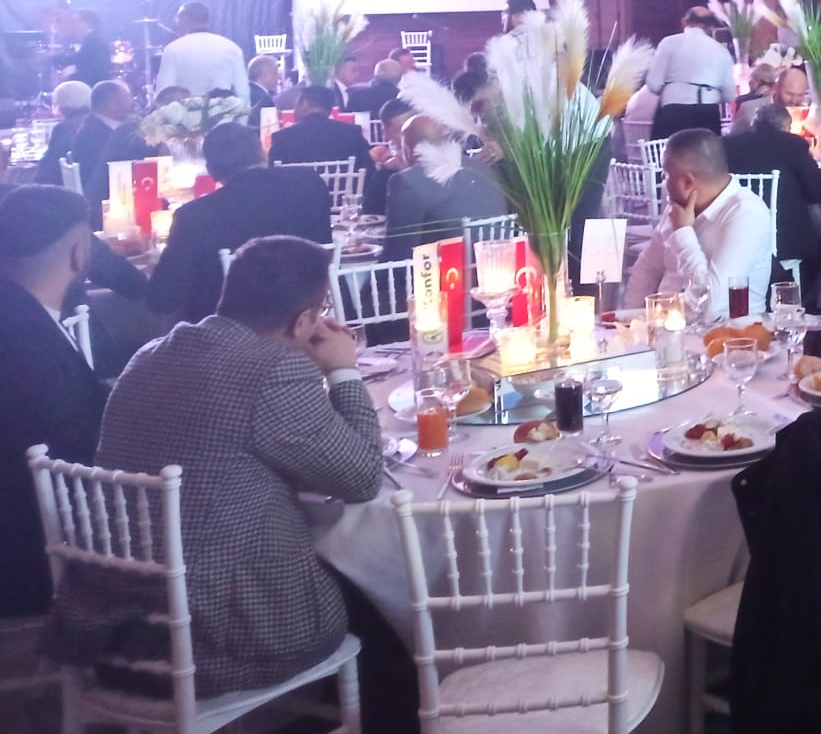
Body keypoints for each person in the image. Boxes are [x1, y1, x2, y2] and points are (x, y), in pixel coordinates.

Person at [48, 236, 384, 699]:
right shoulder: (272, 374)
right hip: (215, 639)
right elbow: (363, 477)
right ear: (303, 321)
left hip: (113, 631)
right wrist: (343, 369)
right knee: (368, 596)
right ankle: (388, 719)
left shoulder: (148, 356)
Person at [0, 187, 105, 618]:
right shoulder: (26, 340)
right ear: (80, 252)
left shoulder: (18, 312)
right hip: (35, 555)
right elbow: (71, 442)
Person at [146, 124, 333, 324]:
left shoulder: (195, 215)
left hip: (234, 326)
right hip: (312, 312)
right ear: (263, 152)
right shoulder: (309, 182)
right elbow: (323, 244)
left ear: (211, 171)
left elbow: (162, 298)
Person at [623, 129, 774, 320]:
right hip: (666, 328)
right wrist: (630, 321)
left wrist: (683, 232)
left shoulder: (746, 213)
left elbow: (711, 304)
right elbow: (647, 269)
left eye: (665, 175)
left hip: (727, 333)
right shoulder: (679, 207)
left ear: (687, 182)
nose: (663, 183)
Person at [722, 103, 821, 290]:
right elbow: (818, 192)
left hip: (733, 236)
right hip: (784, 241)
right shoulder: (793, 144)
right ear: (786, 126)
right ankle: (797, 297)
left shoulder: (726, 144)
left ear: (754, 123)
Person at [380, 115, 511, 262]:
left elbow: (397, 254)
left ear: (407, 149)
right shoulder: (483, 168)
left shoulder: (406, 182)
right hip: (497, 264)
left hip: (444, 272)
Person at [643, 7, 738, 142]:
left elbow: (654, 85)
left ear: (684, 21)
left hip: (673, 111)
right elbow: (730, 95)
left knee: (669, 152)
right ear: (711, 26)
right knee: (706, 154)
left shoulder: (669, 42)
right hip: (708, 113)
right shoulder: (722, 51)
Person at [267, 84, 375, 171]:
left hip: (299, 192)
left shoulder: (283, 138)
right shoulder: (352, 133)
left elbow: (274, 175)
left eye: (296, 104)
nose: (294, 109)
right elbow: (368, 170)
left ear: (305, 103)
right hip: (342, 192)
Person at [65, 79, 136, 213]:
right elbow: (109, 175)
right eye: (128, 98)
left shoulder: (95, 125)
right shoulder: (94, 135)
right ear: (113, 105)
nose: (133, 103)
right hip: (102, 204)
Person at [154, 1, 248, 101]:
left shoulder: (172, 49)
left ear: (185, 19)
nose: (175, 24)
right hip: (225, 110)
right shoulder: (232, 48)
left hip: (185, 110)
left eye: (177, 19)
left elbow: (164, 93)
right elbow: (243, 92)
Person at [32, 79, 93, 186]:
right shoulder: (96, 122)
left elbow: (48, 169)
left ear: (62, 104)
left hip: (63, 190)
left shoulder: (64, 128)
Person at [731, 62, 810, 135]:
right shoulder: (749, 109)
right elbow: (734, 140)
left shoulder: (808, 115)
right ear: (776, 87)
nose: (794, 100)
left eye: (800, 95)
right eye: (789, 94)